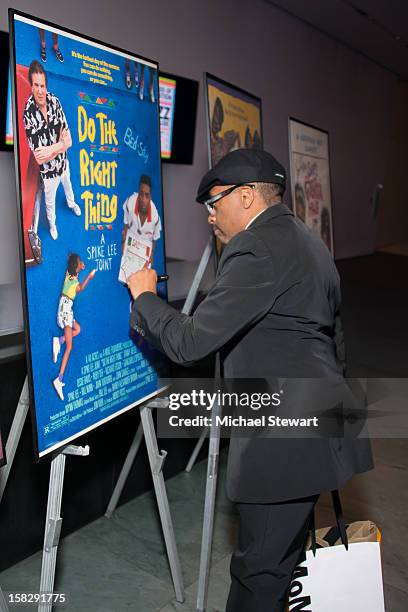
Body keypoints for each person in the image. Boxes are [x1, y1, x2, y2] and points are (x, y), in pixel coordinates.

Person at [126, 149, 373, 610]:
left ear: (245, 197)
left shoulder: (257, 248)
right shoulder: (307, 239)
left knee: (258, 574)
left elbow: (191, 341)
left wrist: (143, 297)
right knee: (279, 561)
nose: (210, 216)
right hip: (322, 426)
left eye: (213, 203)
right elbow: (334, 342)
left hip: (285, 444)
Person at [23, 60, 81, 240]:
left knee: (69, 187)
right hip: (48, 174)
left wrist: (53, 149)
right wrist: (60, 145)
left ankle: (72, 204)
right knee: (50, 203)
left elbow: (69, 140)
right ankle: (53, 225)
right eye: (36, 86)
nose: (40, 91)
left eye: (43, 85)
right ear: (31, 87)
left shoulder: (55, 101)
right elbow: (40, 158)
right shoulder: (28, 114)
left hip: (63, 164)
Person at [52, 254, 96, 401]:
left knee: (78, 329)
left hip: (66, 309)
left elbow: (72, 259)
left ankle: (59, 340)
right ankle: (59, 379)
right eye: (80, 262)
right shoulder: (76, 282)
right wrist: (89, 276)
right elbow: (81, 288)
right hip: (66, 312)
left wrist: (77, 263)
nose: (83, 263)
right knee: (70, 348)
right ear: (76, 267)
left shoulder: (68, 275)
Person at [121, 174, 162, 267]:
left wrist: (151, 254)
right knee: (128, 279)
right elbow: (126, 225)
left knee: (143, 279)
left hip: (145, 248)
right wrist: (123, 243)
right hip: (131, 243)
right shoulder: (130, 203)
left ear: (150, 197)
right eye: (141, 194)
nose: (143, 199)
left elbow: (154, 239)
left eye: (147, 195)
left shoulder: (155, 217)